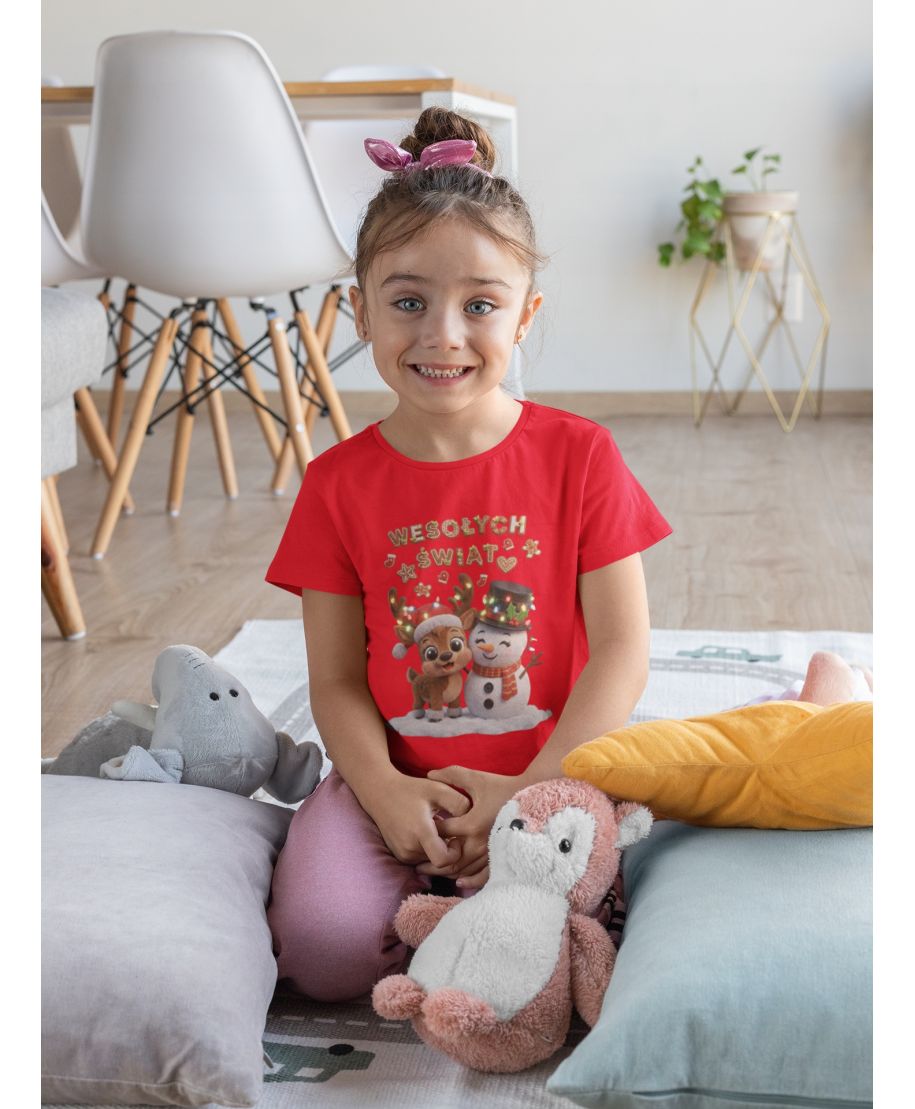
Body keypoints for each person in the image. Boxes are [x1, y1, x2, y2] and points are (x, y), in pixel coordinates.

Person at [264, 107, 672, 1001]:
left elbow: (621, 650)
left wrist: (531, 789)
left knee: (591, 944)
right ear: (359, 309)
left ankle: (475, 922)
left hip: (555, 773)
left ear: (524, 316)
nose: (443, 334)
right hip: (393, 783)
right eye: (407, 301)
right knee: (324, 951)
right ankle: (438, 912)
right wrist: (382, 790)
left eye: (479, 305)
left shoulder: (581, 455)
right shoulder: (334, 483)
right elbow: (334, 679)